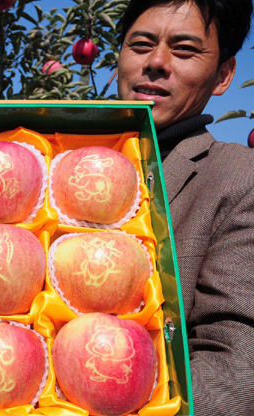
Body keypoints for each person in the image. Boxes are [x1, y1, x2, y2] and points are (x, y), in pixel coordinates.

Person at [116, 0, 254, 414]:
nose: (156, 61)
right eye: (140, 44)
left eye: (185, 50)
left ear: (224, 75)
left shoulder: (239, 180)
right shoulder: (54, 163)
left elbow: (235, 361)